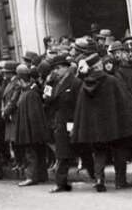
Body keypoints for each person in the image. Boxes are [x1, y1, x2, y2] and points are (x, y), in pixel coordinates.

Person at [73, 52, 132, 192]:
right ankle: (120, 181)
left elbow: (81, 109)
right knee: (119, 151)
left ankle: (99, 180)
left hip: (96, 128)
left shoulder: (85, 85)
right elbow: (124, 101)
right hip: (114, 124)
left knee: (99, 153)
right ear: (99, 65)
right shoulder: (112, 81)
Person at [43, 55, 82, 193]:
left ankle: (97, 177)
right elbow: (47, 100)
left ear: (66, 68)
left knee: (84, 150)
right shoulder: (54, 83)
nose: (56, 71)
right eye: (54, 69)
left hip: (73, 121)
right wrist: (48, 84)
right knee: (62, 153)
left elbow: (79, 105)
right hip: (60, 122)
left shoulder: (75, 82)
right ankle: (61, 183)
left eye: (58, 68)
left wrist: (77, 123)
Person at [15, 67, 50, 187]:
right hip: (31, 129)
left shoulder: (30, 94)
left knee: (31, 153)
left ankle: (31, 176)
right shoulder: (29, 92)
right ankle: (40, 175)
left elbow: (33, 115)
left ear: (21, 80)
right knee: (36, 152)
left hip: (31, 130)